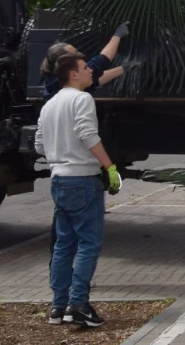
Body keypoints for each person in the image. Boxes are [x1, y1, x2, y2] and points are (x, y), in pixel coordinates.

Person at [34, 53, 122, 328]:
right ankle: (79, 304)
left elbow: (39, 144)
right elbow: (87, 134)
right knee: (88, 243)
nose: (90, 72)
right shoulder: (82, 99)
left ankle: (58, 307)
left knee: (63, 244)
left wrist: (60, 151)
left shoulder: (49, 105)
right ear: (73, 74)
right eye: (85, 68)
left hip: (59, 179)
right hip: (83, 179)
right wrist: (109, 166)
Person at [40, 22, 131, 99]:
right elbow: (104, 58)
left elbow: (96, 78)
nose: (79, 54)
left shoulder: (53, 82)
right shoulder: (80, 98)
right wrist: (117, 35)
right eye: (75, 54)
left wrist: (123, 68)